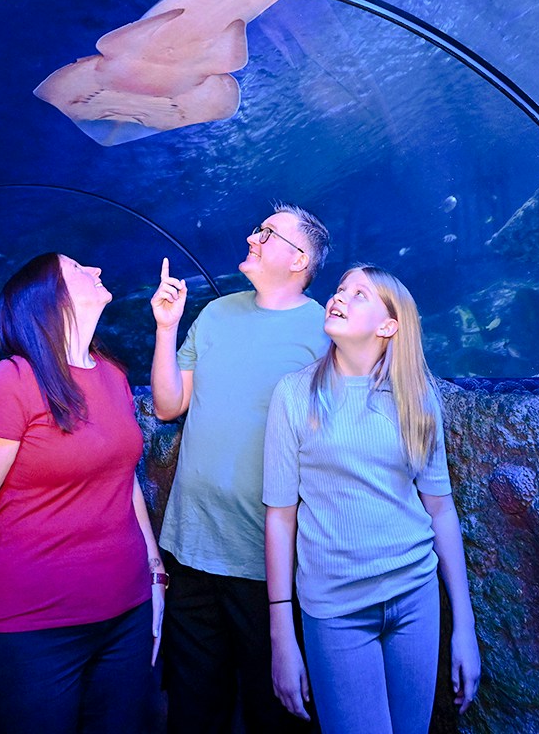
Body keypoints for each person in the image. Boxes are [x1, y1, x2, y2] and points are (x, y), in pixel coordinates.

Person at [0, 253, 166, 734]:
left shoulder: (111, 374)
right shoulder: (13, 383)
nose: (97, 269)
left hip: (126, 613)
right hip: (29, 627)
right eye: (77, 269)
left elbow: (123, 476)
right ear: (49, 300)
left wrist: (154, 572)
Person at [264, 265, 481, 734]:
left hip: (416, 597)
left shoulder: (417, 396)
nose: (339, 297)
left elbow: (440, 509)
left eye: (359, 294)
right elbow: (280, 519)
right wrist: (282, 635)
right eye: (340, 288)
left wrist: (465, 628)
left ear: (389, 325)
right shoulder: (294, 394)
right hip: (336, 609)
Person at [150, 204, 332, 733]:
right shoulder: (216, 313)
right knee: (193, 708)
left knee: (272, 712)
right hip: (190, 547)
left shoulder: (322, 332)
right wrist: (167, 327)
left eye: (268, 234)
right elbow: (167, 405)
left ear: (299, 260)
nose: (253, 237)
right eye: (257, 228)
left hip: (266, 563)